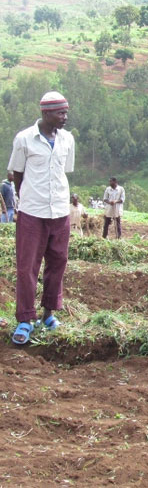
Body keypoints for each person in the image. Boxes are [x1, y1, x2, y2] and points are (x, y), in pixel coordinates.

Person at [7, 91, 74, 345]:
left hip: (59, 211)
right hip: (32, 213)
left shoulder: (67, 139)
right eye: (60, 113)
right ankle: (25, 318)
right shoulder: (24, 139)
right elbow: (18, 174)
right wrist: (28, 200)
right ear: (45, 113)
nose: (65, 117)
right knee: (27, 266)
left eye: (66, 112)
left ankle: (48, 314)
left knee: (58, 262)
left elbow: (64, 172)